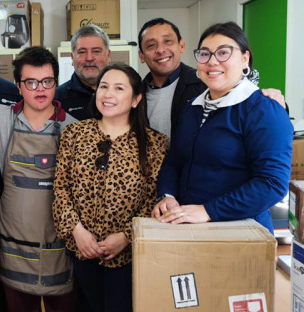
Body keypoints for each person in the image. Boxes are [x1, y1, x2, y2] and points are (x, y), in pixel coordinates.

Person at [152, 22, 293, 234]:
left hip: (242, 233)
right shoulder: (193, 107)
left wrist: (208, 211)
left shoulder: (264, 109)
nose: (212, 62)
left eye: (223, 53)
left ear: (245, 59)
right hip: (189, 229)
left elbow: (271, 183)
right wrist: (167, 196)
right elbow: (175, 161)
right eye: (204, 54)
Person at [53, 63, 168, 312]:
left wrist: (126, 236)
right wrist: (77, 230)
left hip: (128, 256)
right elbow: (61, 188)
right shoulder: (74, 134)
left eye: (118, 88)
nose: (108, 94)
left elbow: (153, 201)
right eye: (103, 87)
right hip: (81, 250)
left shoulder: (154, 144)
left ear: (136, 99)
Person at [0, 46, 77, 312]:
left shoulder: (74, 128)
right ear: (18, 86)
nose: (40, 89)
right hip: (14, 246)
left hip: (58, 248)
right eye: (31, 82)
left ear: (56, 83)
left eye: (47, 81)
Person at [138, 17, 286, 139]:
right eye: (151, 45)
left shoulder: (207, 84)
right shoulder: (135, 94)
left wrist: (277, 105)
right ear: (141, 55)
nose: (160, 50)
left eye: (167, 41)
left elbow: (248, 103)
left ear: (181, 46)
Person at [55, 24, 111, 121]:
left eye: (96, 51)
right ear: (72, 58)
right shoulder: (57, 99)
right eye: (82, 52)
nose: (89, 58)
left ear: (108, 56)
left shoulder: (122, 95)